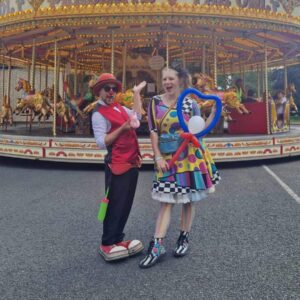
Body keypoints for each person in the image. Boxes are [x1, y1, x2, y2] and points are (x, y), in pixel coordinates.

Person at [139, 66, 220, 269]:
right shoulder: (155, 102)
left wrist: (215, 113)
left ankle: (184, 237)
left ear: (180, 80)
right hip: (166, 158)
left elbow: (199, 131)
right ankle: (157, 244)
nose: (166, 82)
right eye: (164, 78)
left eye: (170, 78)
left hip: (189, 158)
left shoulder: (191, 104)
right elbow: (153, 130)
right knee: (166, 202)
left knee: (188, 200)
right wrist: (157, 156)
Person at [92, 73, 146, 262]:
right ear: (99, 91)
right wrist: (122, 128)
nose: (111, 92)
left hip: (131, 161)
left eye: (114, 88)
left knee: (125, 203)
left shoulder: (120, 107)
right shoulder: (98, 113)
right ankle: (107, 242)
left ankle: (117, 239)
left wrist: (137, 94)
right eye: (107, 89)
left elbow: (137, 116)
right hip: (116, 163)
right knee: (114, 202)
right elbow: (101, 142)